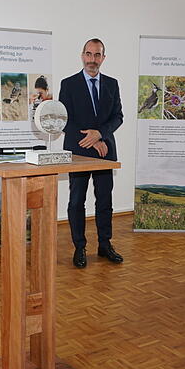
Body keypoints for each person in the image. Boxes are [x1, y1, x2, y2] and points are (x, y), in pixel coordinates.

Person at [59, 38, 124, 268]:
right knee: (77, 200)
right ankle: (79, 247)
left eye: (97, 55)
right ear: (82, 55)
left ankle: (105, 245)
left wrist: (101, 133)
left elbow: (118, 116)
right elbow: (64, 120)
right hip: (78, 151)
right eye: (88, 54)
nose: (92, 60)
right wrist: (93, 139)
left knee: (104, 200)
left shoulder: (112, 84)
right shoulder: (68, 84)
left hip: (106, 150)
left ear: (103, 58)